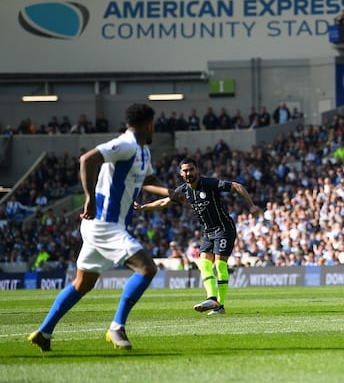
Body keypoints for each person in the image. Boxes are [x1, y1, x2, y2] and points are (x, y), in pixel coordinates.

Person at [28, 103, 177, 352]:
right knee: (147, 268)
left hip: (107, 226)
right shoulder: (125, 144)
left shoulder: (143, 151)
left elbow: (149, 179)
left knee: (83, 284)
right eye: (154, 124)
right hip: (104, 224)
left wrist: (171, 192)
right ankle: (116, 327)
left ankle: (44, 332)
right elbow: (88, 159)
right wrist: (88, 197)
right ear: (148, 124)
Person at [135, 157, 262, 315]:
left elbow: (237, 186)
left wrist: (251, 205)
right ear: (181, 173)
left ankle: (219, 305)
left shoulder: (208, 183)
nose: (188, 173)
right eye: (185, 171)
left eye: (191, 170)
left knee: (220, 264)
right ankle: (213, 300)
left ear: (197, 170)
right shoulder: (183, 191)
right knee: (203, 264)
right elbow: (164, 202)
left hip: (224, 228)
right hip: (208, 232)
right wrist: (143, 207)